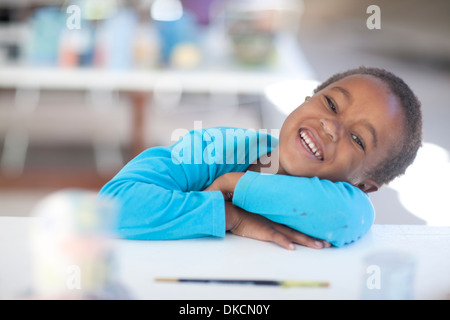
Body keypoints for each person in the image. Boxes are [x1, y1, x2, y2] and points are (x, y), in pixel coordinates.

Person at [99, 66, 422, 250]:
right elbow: (113, 205)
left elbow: (349, 217)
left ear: (364, 185)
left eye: (357, 138)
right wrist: (231, 217)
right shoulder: (212, 148)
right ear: (305, 101)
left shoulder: (347, 205)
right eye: (331, 105)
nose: (331, 127)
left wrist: (233, 185)